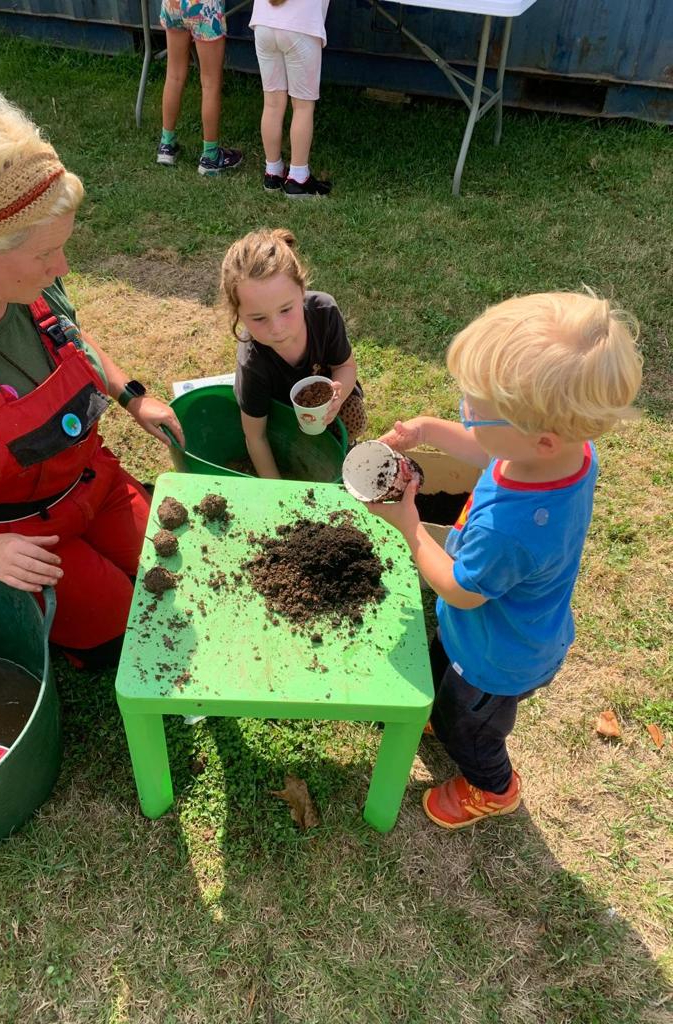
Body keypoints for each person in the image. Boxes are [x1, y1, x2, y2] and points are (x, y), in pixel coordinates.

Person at [0, 97, 185, 669]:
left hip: (89, 483)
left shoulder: (26, 282)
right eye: (46, 254)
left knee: (185, 572)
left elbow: (70, 340)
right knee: (128, 631)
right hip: (10, 534)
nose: (62, 268)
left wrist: (133, 397)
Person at [367, 292, 643, 829]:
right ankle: (438, 710)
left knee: (467, 728)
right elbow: (484, 448)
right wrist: (427, 429)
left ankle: (492, 787)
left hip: (499, 657)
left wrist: (409, 527)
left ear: (539, 439)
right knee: (443, 667)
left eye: (476, 408)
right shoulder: (564, 455)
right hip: (490, 629)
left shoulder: (508, 532)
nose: (464, 411)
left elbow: (458, 589)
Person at [221, 228, 366, 478]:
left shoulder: (324, 312)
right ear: (239, 315)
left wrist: (337, 400)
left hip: (326, 407)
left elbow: (346, 366)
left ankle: (343, 449)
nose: (277, 329)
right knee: (292, 460)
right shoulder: (252, 361)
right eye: (258, 318)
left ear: (302, 292)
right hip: (281, 419)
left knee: (354, 418)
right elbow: (255, 436)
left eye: (286, 310)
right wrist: (278, 488)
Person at [249, 0, 332, 197]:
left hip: (264, 22)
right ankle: (298, 177)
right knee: (303, 106)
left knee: (272, 103)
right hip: (301, 24)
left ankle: (273, 172)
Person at [156, 0, 243, 175]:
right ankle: (210, 156)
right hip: (205, 8)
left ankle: (166, 145)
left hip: (174, 5)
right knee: (210, 83)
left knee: (174, 75)